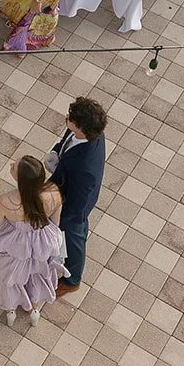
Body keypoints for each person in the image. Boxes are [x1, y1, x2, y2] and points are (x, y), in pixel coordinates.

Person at [0, 156, 64, 327]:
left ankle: (11, 311)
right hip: (42, 239)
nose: (11, 165)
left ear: (21, 180)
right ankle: (35, 311)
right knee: (37, 274)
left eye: (14, 168)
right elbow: (56, 220)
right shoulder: (53, 192)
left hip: (16, 243)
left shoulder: (7, 200)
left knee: (9, 277)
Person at [46, 96, 107, 297]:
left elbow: (79, 201)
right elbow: (66, 142)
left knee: (73, 236)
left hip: (72, 205)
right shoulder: (84, 131)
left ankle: (72, 280)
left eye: (70, 118)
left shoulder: (86, 167)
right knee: (74, 233)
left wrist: (64, 216)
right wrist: (56, 153)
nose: (67, 119)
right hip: (64, 183)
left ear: (80, 126)